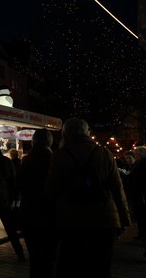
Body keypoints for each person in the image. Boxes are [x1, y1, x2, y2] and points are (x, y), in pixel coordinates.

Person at [45, 118, 130, 278]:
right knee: (101, 267)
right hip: (104, 220)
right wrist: (124, 220)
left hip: (71, 221)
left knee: (71, 266)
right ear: (86, 132)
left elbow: (51, 191)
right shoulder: (104, 153)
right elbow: (118, 189)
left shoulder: (60, 156)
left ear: (65, 133)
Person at [17, 129, 59, 278]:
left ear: (34, 141)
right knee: (50, 258)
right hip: (50, 215)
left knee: (35, 258)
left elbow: (20, 186)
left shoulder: (27, 160)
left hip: (30, 214)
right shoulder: (54, 159)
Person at [0, 138, 26, 262]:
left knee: (9, 229)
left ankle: (19, 253)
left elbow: (13, 182)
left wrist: (15, 199)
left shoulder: (3, 162)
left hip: (1, 200)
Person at [131, 146, 146, 258]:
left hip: (145, 196)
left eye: (136, 155)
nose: (135, 157)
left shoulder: (142, 164)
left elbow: (137, 181)